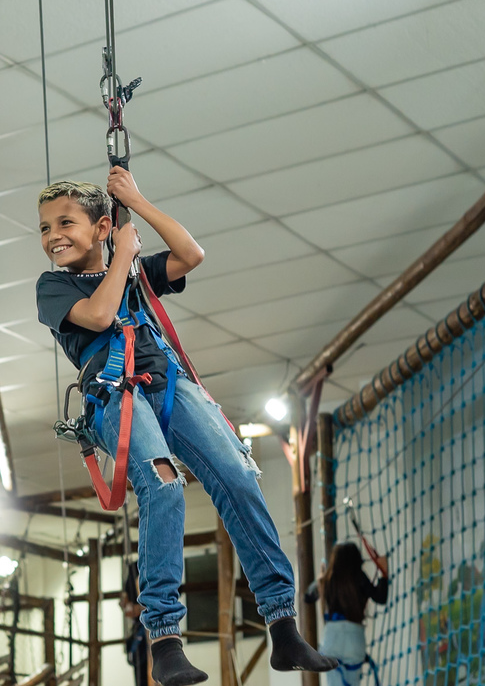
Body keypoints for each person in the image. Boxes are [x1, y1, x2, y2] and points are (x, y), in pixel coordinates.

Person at [36, 171, 338, 686]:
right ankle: (164, 636)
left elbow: (190, 253)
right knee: (162, 482)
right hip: (115, 394)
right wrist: (125, 256)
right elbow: (103, 313)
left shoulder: (132, 270)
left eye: (66, 222)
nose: (53, 236)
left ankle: (282, 625)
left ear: (103, 226)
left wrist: (136, 202)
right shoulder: (54, 286)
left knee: (238, 477)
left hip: (168, 382)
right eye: (44, 228)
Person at [306, 542, 390, 686]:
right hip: (354, 639)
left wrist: (320, 580)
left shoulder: (327, 579)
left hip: (332, 640)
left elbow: (307, 597)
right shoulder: (359, 577)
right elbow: (380, 598)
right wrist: (384, 573)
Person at [121, 562, 150, 686]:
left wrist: (142, 608)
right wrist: (128, 606)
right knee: (142, 671)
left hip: (153, 627)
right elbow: (125, 601)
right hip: (141, 630)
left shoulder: (160, 567)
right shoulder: (134, 569)